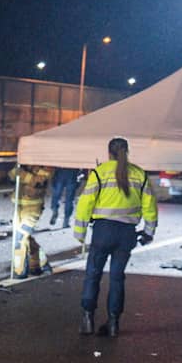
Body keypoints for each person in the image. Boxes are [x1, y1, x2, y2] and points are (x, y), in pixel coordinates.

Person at [74, 137, 158, 337]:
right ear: (127, 152)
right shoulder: (139, 174)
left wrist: (80, 232)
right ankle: (113, 323)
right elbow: (150, 207)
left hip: (103, 231)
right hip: (126, 233)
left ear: (108, 152)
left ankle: (87, 319)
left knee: (93, 274)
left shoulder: (99, 172)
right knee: (117, 278)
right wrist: (149, 232)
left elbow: (85, 203)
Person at [10, 164, 54, 279]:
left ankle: (20, 271)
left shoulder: (45, 166)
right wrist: (20, 170)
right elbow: (11, 174)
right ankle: (39, 264)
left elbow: (38, 182)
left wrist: (22, 173)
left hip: (32, 209)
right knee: (26, 238)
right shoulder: (24, 164)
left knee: (20, 238)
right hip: (19, 206)